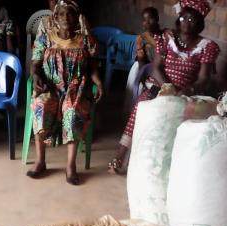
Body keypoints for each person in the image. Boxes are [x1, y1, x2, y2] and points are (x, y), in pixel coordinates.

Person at [109, 0, 219, 175]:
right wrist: (168, 88)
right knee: (141, 107)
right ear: (179, 18)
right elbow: (156, 67)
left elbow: (204, 79)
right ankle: (120, 157)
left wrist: (188, 90)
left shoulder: (207, 47)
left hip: (186, 92)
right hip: (160, 86)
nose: (187, 23)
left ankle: (168, 166)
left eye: (192, 20)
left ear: (200, 23)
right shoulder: (167, 38)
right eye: (184, 18)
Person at [28, 0, 103, 186]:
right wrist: (35, 76)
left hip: (76, 87)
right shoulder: (46, 36)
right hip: (50, 85)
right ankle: (40, 161)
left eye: (70, 13)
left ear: (76, 17)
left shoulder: (84, 38)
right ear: (55, 16)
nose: (65, 18)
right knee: (41, 106)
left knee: (73, 112)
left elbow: (93, 65)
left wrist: (98, 82)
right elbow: (35, 63)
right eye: (61, 14)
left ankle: (70, 166)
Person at [123, 7, 162, 118]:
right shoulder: (142, 38)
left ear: (157, 19)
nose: (148, 22)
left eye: (151, 18)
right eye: (144, 20)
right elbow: (141, 59)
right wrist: (143, 75)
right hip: (144, 66)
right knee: (140, 90)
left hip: (160, 67)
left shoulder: (165, 35)